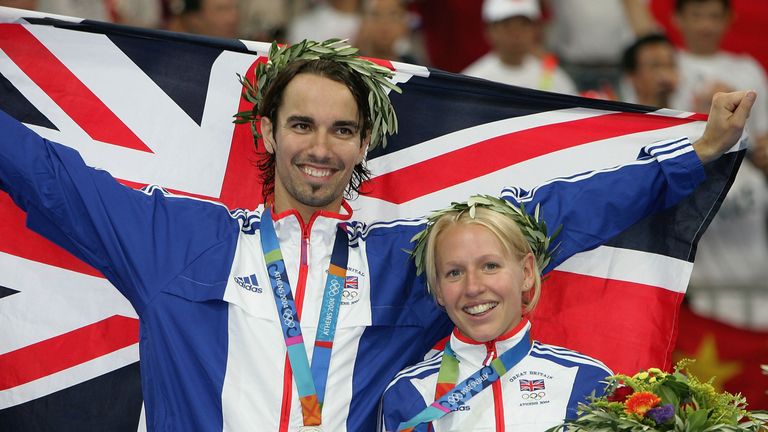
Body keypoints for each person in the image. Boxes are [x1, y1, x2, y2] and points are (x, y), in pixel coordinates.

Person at [0, 36, 755, 430]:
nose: (319, 146)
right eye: (301, 125)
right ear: (266, 133)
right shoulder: (171, 236)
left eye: (340, 130)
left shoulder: (407, 260)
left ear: (363, 146)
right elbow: (51, 175)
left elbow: (548, 216)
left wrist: (690, 157)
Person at [379, 197, 612, 431]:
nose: (473, 287)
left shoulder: (588, 381)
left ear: (526, 272)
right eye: (454, 272)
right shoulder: (408, 392)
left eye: (490, 266)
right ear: (438, 290)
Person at [673, 0, 768, 144]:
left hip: (744, 162)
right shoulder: (664, 66)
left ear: (729, 18)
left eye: (714, 16)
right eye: (696, 16)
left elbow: (763, 134)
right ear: (677, 18)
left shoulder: (748, 68)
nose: (706, 26)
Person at [462, 0, 577, 94]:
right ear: (490, 31)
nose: (516, 33)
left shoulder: (554, 77)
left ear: (535, 30)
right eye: (507, 25)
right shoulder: (474, 80)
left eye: (524, 25)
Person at [619, 33, 680, 107]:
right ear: (632, 77)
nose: (665, 74)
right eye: (655, 66)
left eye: (671, 65)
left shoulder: (691, 112)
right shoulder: (619, 115)